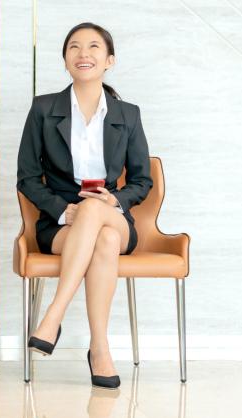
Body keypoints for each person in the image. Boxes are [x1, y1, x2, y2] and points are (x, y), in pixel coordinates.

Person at [16, 23, 151, 389]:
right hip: (60, 224)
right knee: (102, 240)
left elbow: (142, 181)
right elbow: (27, 178)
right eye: (74, 47)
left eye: (93, 47)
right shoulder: (43, 109)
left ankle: (53, 315)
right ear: (65, 60)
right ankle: (100, 349)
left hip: (114, 215)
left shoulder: (129, 114)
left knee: (97, 214)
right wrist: (64, 210)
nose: (83, 53)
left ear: (109, 60)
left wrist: (115, 199)